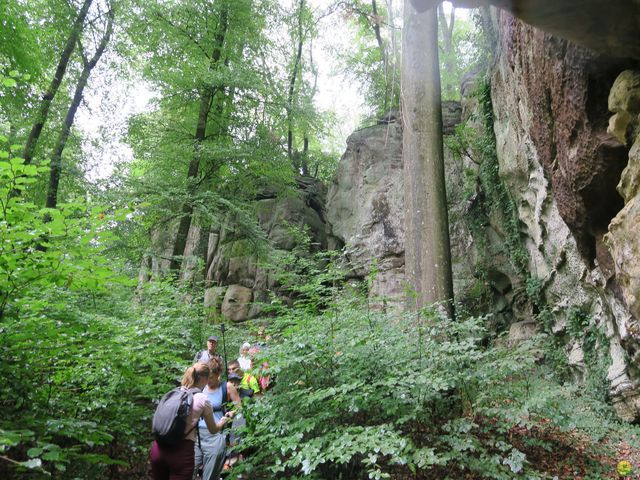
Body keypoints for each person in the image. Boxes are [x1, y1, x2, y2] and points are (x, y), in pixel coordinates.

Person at [150, 362, 230, 480]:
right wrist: (223, 421)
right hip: (181, 453)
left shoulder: (175, 392)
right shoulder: (202, 399)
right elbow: (213, 430)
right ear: (204, 378)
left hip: (158, 449)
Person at [194, 358, 240, 480]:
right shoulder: (200, 386)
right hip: (197, 434)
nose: (208, 381)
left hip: (216, 434)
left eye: (211, 377)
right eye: (206, 377)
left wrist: (232, 413)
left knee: (210, 474)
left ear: (218, 374)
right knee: (189, 469)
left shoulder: (227, 387)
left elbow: (239, 407)